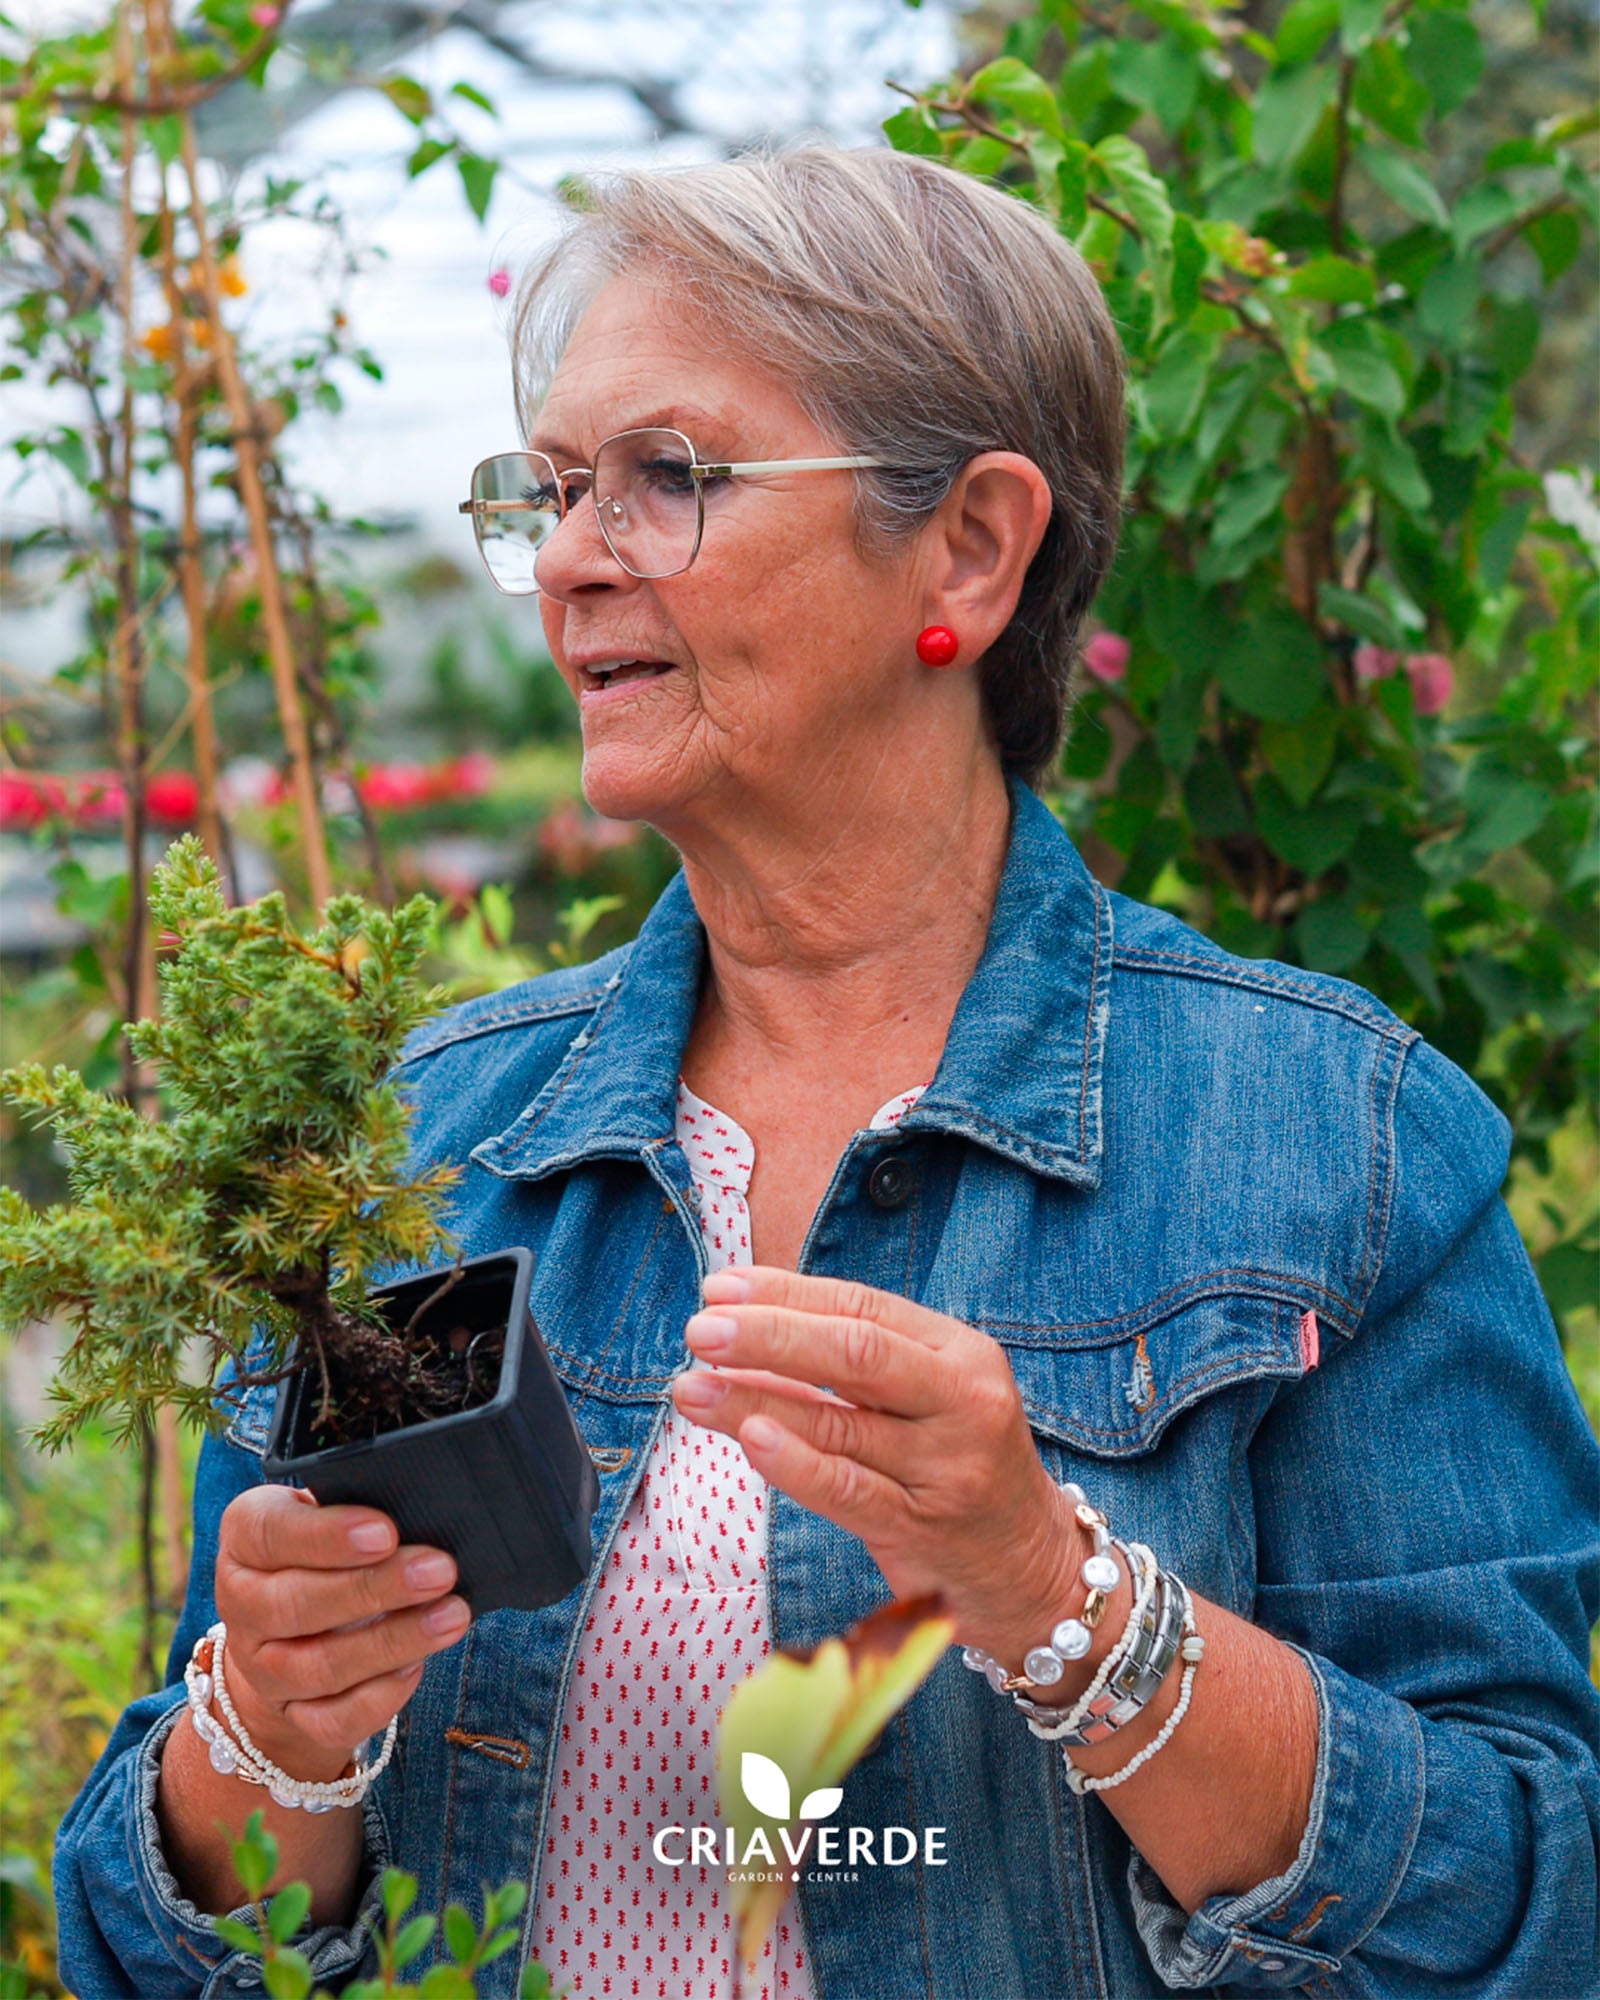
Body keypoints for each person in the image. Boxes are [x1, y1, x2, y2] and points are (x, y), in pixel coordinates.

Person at [56, 144, 1598, 2000]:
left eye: (666, 478)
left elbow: (1527, 1909)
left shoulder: (1330, 1146)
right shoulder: (417, 1145)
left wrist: (1059, 1595)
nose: (561, 557)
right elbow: (163, 1939)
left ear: (966, 543)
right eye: (545, 489)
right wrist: (275, 1730)